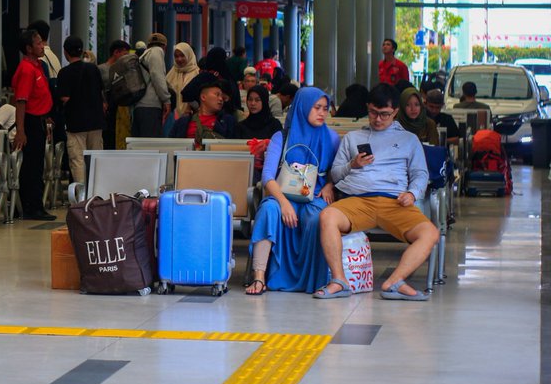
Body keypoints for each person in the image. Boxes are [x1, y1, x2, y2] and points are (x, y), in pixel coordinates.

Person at [314, 84, 439, 301]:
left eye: (384, 114)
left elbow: (420, 173)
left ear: (395, 112)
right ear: (367, 108)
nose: (378, 119)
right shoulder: (353, 137)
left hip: (395, 202)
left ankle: (394, 281)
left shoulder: (409, 139)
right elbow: (335, 174)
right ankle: (339, 280)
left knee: (430, 233)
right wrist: (353, 164)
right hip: (358, 200)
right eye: (373, 112)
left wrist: (412, 193)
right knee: (328, 216)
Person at [245, 87, 340, 294]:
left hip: (313, 197)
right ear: (303, 107)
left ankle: (313, 279)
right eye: (317, 108)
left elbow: (337, 171)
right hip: (283, 195)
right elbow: (268, 177)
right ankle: (259, 277)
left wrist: (329, 185)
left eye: (325, 108)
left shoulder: (331, 139)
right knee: (269, 210)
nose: (322, 113)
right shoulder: (282, 137)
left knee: (317, 218)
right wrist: (284, 203)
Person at [12, 28, 56, 221]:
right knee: (32, 166)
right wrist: (21, 131)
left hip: (39, 120)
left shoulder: (38, 66)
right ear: (29, 48)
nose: (42, 46)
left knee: (38, 165)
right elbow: (21, 101)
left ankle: (36, 205)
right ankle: (31, 207)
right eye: (38, 43)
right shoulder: (26, 70)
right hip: (29, 121)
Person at [57, 36, 105, 184]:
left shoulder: (64, 73)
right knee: (96, 159)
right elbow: (101, 92)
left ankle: (81, 199)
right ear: (82, 51)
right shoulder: (93, 69)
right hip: (96, 121)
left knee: (78, 160)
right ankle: (97, 194)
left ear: (65, 52)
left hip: (75, 123)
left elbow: (64, 98)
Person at [171, 73, 237, 141]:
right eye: (217, 95)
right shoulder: (182, 122)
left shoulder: (228, 122)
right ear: (203, 97)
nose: (221, 99)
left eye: (222, 97)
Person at [132, 36, 171, 137]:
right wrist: (166, 100)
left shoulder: (143, 57)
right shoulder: (157, 51)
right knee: (150, 145)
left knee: (140, 145)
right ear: (164, 47)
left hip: (139, 106)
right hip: (150, 107)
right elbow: (157, 77)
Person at [165, 42, 200, 119]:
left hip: (192, 117)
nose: (179, 59)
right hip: (173, 116)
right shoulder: (172, 73)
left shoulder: (197, 73)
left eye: (182, 55)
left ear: (188, 55)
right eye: (176, 56)